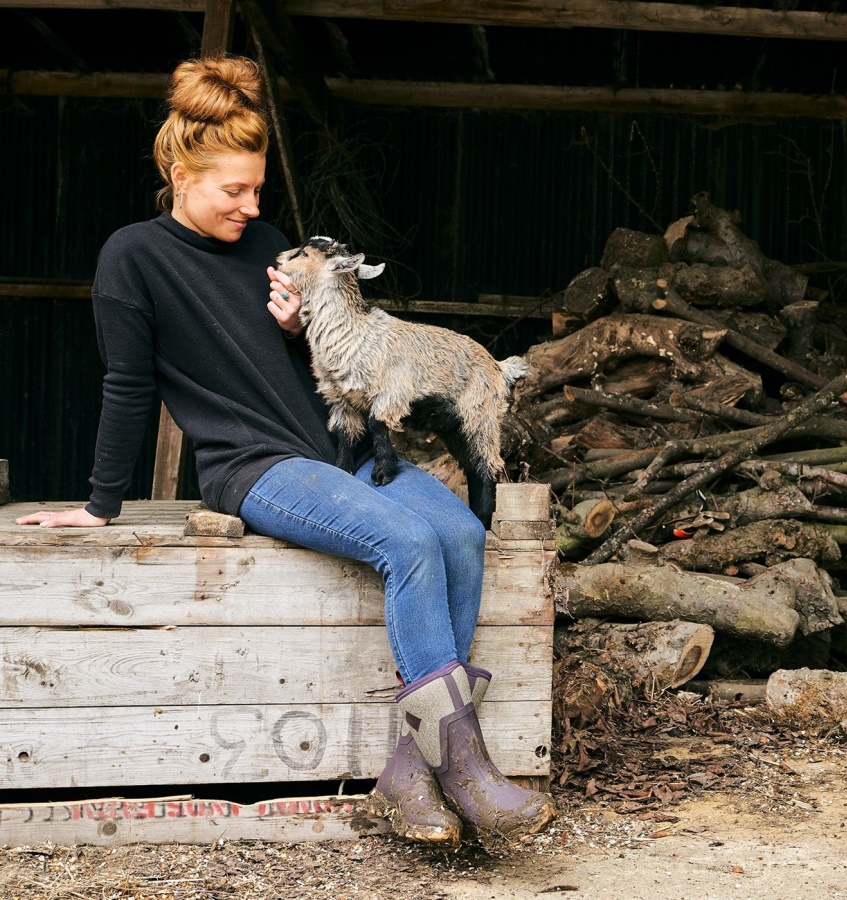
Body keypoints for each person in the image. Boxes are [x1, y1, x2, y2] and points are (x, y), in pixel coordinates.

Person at [16, 53, 556, 847]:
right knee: (407, 540)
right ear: (177, 170)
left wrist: (304, 331)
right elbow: (127, 387)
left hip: (336, 450)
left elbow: (337, 365)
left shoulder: (269, 244)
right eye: (233, 190)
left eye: (257, 189)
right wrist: (98, 508)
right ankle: (466, 770)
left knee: (462, 534)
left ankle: (409, 774)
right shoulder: (132, 258)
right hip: (254, 468)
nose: (251, 206)